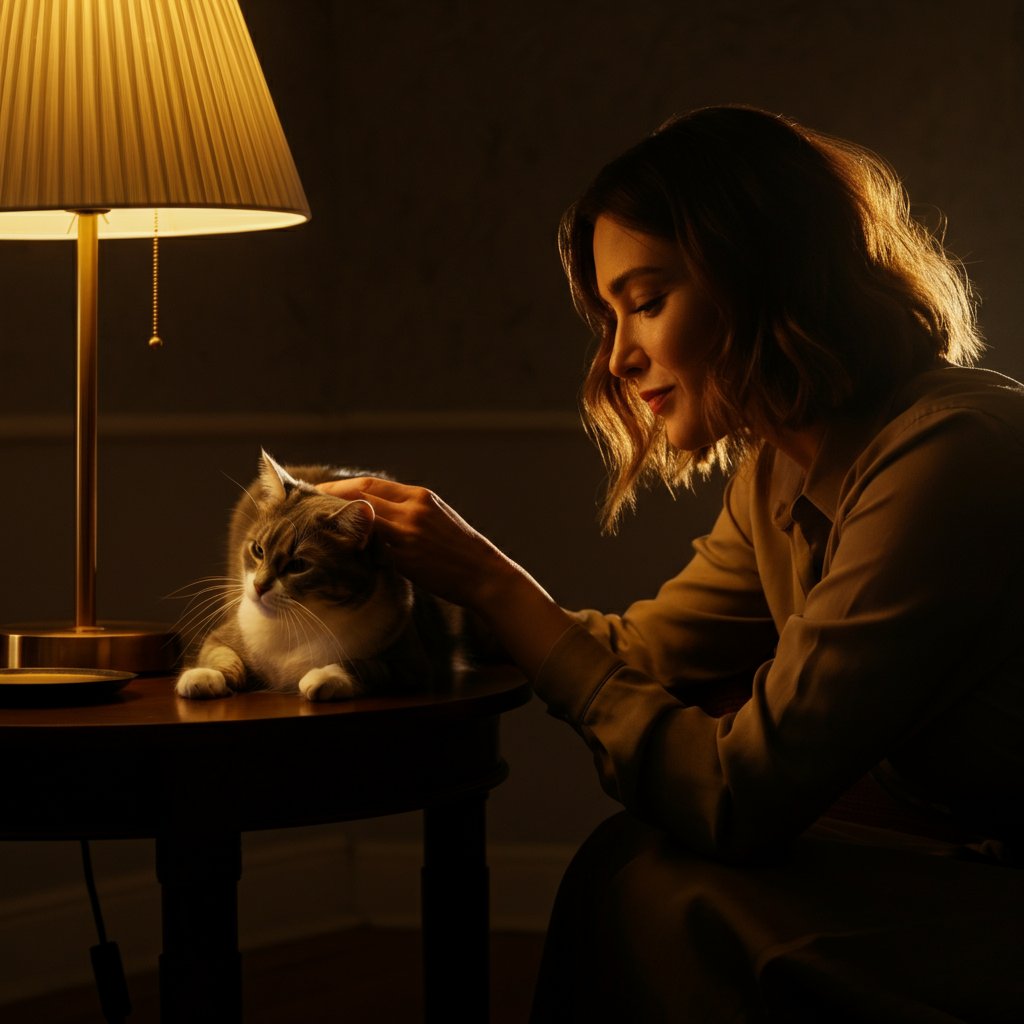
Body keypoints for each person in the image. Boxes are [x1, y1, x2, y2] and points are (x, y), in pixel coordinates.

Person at [320, 106, 1024, 1022]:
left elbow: (740, 793)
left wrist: (493, 582)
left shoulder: (953, 454)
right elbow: (639, 653)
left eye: (647, 301)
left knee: (658, 887)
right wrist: (421, 592)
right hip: (939, 859)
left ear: (762, 274)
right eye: (611, 316)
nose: (617, 357)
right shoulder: (779, 472)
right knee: (626, 861)